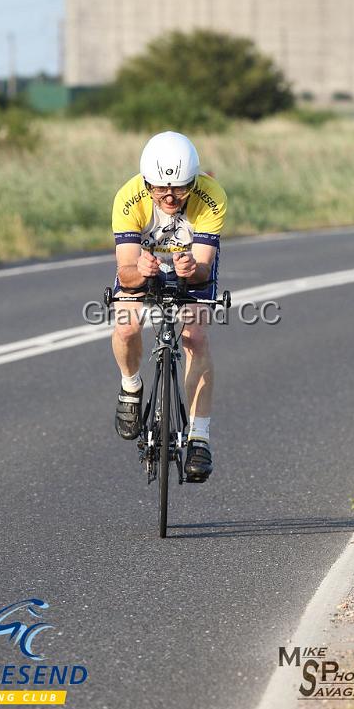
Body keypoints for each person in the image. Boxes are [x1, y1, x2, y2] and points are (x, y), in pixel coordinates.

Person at [110, 131, 227, 482]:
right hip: (143, 264)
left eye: (180, 187)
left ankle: (200, 437)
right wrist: (140, 271)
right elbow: (125, 271)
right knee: (127, 325)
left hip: (189, 264)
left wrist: (192, 269)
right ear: (146, 182)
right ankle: (131, 387)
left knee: (195, 336)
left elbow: (204, 268)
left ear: (194, 181)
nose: (170, 196)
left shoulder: (212, 196)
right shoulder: (128, 198)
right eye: (160, 188)